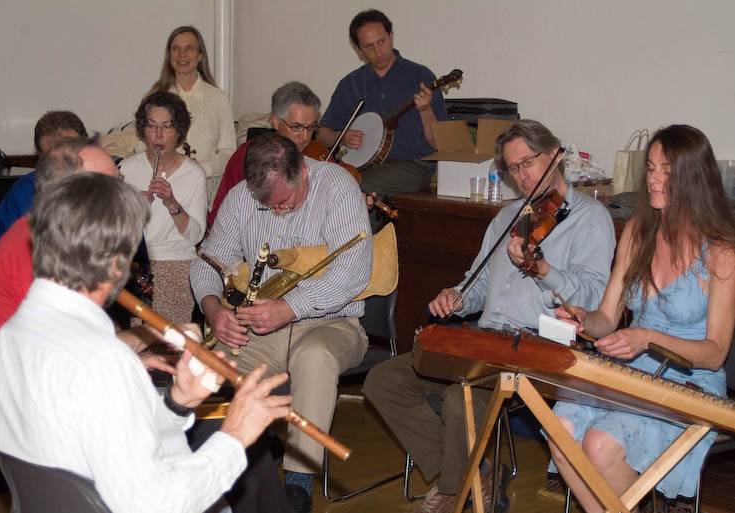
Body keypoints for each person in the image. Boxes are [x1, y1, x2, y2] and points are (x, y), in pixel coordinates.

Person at [0, 172, 292, 513]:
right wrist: (235, 437)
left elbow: (109, 442)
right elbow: (156, 503)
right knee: (243, 469)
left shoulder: (7, 342)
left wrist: (176, 404)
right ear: (116, 265)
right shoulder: (103, 361)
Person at [363, 119, 616, 513]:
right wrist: (456, 297)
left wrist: (543, 270)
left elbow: (592, 299)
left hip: (540, 349)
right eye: (512, 169)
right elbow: (476, 284)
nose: (521, 176)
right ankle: (473, 473)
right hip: (485, 341)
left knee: (456, 397)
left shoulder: (591, 218)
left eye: (528, 163)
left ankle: (452, 492)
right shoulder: (507, 217)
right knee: (384, 381)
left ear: (554, 155)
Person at [548, 125, 735, 513]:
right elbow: (607, 320)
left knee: (599, 445)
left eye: (666, 170)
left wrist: (647, 338)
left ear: (693, 179)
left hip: (690, 380)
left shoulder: (721, 252)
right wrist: (583, 318)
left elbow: (716, 353)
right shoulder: (636, 232)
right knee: (560, 432)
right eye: (650, 168)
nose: (653, 178)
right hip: (631, 369)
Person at [191, 133, 372, 513]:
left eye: (285, 202)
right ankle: (211, 465)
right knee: (212, 362)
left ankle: (298, 483)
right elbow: (208, 261)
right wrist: (212, 309)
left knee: (314, 356)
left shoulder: (339, 188)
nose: (278, 212)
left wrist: (290, 307)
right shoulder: (242, 197)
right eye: (267, 206)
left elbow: (352, 275)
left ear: (303, 170)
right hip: (262, 325)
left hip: (332, 322)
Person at [0, 136, 124, 343]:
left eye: (118, 181)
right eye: (108, 185)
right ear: (68, 192)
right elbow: (63, 346)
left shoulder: (63, 237)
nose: (121, 194)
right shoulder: (31, 249)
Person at [317, 9, 448, 198]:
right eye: (369, 46)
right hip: (360, 166)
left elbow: (438, 143)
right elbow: (322, 134)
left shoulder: (420, 77)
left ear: (391, 37)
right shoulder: (351, 84)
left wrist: (425, 110)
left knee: (356, 186)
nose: (378, 52)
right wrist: (342, 136)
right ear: (358, 49)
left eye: (382, 42)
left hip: (412, 166)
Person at [121, 91, 207, 324]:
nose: (158, 135)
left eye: (167, 127)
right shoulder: (126, 170)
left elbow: (196, 236)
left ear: (178, 131)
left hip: (176, 262)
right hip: (135, 263)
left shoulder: (194, 174)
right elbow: (111, 231)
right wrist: (132, 208)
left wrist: (172, 203)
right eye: (151, 126)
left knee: (169, 344)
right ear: (143, 130)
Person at [0, 111, 87, 272]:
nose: (62, 164)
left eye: (70, 152)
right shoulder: (27, 189)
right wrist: (10, 274)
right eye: (52, 157)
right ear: (41, 158)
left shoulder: (104, 181)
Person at [207, 81, 322, 227]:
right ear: (275, 121)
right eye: (296, 127)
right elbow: (220, 215)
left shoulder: (320, 157)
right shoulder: (247, 156)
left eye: (311, 127)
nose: (305, 137)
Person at [148, 25, 236, 203]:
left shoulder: (219, 99)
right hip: (164, 188)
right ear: (169, 55)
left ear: (200, 55)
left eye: (189, 48)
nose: (182, 54)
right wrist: (168, 168)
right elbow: (141, 145)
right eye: (176, 48)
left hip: (206, 192)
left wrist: (200, 169)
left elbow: (229, 153)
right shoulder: (155, 98)